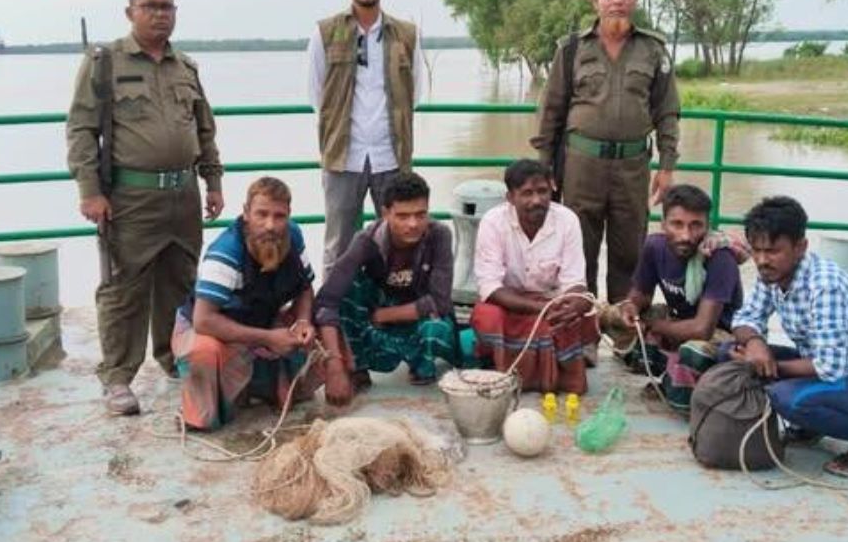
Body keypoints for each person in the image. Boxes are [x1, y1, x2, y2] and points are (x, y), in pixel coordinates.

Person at [66, 0, 224, 416]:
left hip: (183, 194)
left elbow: (204, 128)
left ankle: (174, 357)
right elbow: (81, 129)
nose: (160, 14)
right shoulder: (104, 63)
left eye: (168, 7)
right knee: (124, 289)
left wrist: (212, 182)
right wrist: (90, 191)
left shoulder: (185, 67)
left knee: (181, 279)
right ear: (130, 12)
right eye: (150, 6)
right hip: (131, 197)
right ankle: (118, 378)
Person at [531, 0, 681, 304]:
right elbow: (550, 110)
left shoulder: (653, 49)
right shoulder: (571, 49)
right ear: (595, 0)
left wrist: (668, 165)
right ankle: (582, 327)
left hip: (632, 167)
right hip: (581, 165)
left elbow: (667, 111)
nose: (617, 1)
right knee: (578, 250)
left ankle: (623, 329)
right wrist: (544, 166)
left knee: (630, 250)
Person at [726, 196, 848, 479]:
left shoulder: (824, 287)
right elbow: (745, 318)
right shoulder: (772, 273)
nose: (762, 260)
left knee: (787, 398)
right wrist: (755, 344)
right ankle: (814, 424)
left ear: (801, 247)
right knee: (728, 350)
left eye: (773, 251)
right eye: (757, 250)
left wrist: (766, 365)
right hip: (829, 373)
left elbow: (829, 367)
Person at [308, 0, 427, 280]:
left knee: (397, 241)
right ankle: (332, 317)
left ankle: (389, 312)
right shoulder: (325, 33)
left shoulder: (406, 35)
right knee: (339, 245)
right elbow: (316, 94)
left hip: (392, 156)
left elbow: (415, 94)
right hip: (342, 157)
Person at [170, 178, 320, 431]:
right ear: (246, 213)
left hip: (262, 319)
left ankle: (263, 386)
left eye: (279, 216)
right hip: (211, 328)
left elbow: (305, 287)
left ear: (289, 216)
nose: (270, 225)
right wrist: (269, 338)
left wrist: (303, 321)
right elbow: (204, 320)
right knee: (203, 352)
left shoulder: (293, 235)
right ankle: (201, 413)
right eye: (261, 214)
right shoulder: (226, 251)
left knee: (322, 328)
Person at [313, 172, 456, 406]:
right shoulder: (366, 241)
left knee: (438, 329)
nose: (413, 224)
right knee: (350, 287)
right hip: (375, 321)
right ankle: (357, 369)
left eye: (420, 215)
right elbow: (327, 300)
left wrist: (385, 315)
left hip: (414, 319)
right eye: (402, 216)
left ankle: (421, 366)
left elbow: (440, 301)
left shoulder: (439, 235)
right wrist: (335, 365)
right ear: (385, 213)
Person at [470, 159, 599, 394]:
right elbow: (489, 287)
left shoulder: (567, 220)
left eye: (542, 191)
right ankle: (507, 368)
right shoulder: (493, 222)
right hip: (511, 304)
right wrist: (540, 308)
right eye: (527, 193)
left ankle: (559, 375)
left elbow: (575, 282)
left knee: (585, 312)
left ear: (552, 189)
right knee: (486, 316)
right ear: (510, 197)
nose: (537, 200)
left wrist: (574, 302)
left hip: (552, 302)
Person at [619, 185, 744, 412]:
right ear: (663, 224)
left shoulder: (720, 258)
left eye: (696, 226)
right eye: (677, 224)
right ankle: (667, 373)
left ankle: (684, 385)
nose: (686, 236)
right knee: (616, 318)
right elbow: (641, 294)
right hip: (681, 323)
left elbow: (702, 329)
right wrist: (630, 307)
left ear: (707, 227)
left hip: (722, 335)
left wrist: (654, 326)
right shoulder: (654, 246)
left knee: (693, 351)